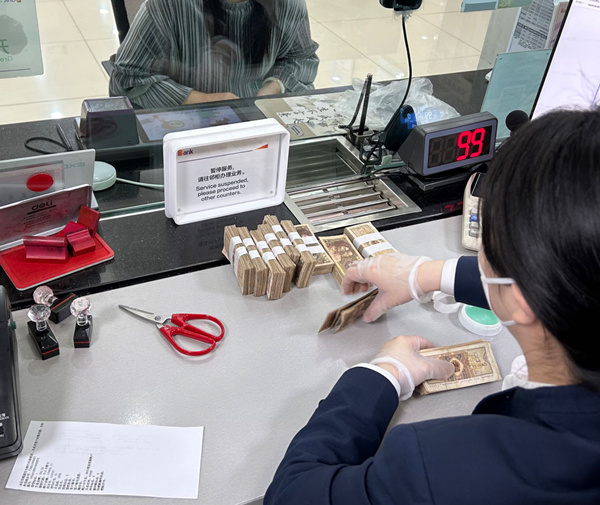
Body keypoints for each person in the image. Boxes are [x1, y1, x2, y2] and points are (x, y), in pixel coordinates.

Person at [264, 107, 600, 505]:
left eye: (489, 240)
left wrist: (382, 377)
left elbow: (292, 494)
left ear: (522, 296)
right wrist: (429, 274)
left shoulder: (440, 471)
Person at [109, 0, 319, 109]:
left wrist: (271, 89)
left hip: (258, 123)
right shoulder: (170, 5)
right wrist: (206, 100)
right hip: (184, 126)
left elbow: (300, 58)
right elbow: (126, 80)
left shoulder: (286, 4)